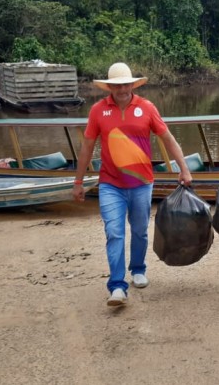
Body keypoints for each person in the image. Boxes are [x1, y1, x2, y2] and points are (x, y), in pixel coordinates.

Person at [72, 62, 193, 307]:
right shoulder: (97, 111)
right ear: (109, 87)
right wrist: (78, 181)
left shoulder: (147, 108)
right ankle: (117, 286)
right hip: (110, 185)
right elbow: (87, 146)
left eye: (126, 84)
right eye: (117, 85)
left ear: (132, 85)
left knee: (139, 231)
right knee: (114, 233)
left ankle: (138, 268)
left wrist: (184, 168)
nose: (122, 89)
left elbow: (167, 139)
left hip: (142, 184)